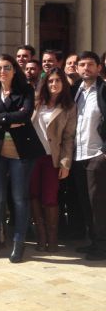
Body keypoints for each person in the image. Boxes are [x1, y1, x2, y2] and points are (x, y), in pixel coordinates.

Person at [0, 54, 45, 263]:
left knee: (19, 198)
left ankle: (19, 242)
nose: (2, 71)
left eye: (6, 67)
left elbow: (24, 116)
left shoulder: (25, 91)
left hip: (21, 152)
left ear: (14, 69)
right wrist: (7, 120)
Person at [30, 68, 76, 253]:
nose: (54, 84)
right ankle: (40, 236)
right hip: (32, 157)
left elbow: (68, 138)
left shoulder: (69, 106)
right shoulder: (36, 102)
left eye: (57, 81)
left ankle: (53, 238)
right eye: (50, 81)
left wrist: (65, 163)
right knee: (33, 194)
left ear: (63, 84)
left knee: (50, 198)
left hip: (52, 158)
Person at [72, 51, 106, 261]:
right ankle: (93, 241)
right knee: (84, 201)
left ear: (98, 67)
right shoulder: (75, 91)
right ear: (77, 69)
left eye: (90, 64)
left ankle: (102, 245)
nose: (86, 68)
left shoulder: (103, 90)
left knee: (98, 203)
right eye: (82, 64)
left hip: (97, 154)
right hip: (78, 154)